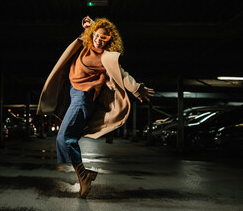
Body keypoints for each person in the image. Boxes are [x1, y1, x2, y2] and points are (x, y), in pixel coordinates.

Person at [37, 16, 155, 198]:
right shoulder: (86, 44)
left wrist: (138, 89)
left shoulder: (106, 58)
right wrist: (90, 27)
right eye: (97, 36)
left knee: (64, 137)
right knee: (67, 137)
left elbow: (122, 75)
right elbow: (91, 34)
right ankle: (85, 174)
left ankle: (84, 177)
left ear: (110, 41)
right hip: (72, 94)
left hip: (83, 98)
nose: (99, 41)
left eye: (104, 39)